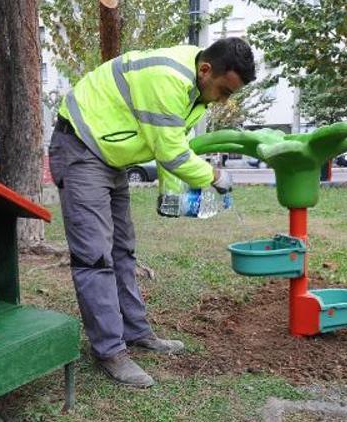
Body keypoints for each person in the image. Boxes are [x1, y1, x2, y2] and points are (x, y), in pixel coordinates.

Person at [48, 37, 256, 387]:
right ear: (205, 70)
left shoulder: (195, 86)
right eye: (223, 91)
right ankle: (110, 351)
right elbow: (172, 153)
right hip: (81, 150)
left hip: (110, 155)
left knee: (123, 251)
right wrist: (215, 176)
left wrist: (171, 186)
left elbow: (170, 142)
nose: (222, 100)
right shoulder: (169, 79)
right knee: (95, 257)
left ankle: (135, 332)